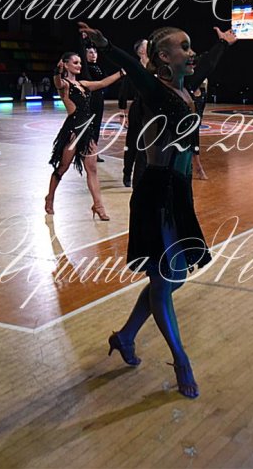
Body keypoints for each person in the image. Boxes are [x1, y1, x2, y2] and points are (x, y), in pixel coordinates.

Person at [79, 21, 217, 399]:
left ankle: (125, 336)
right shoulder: (155, 91)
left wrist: (224, 45)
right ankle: (181, 360)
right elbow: (134, 69)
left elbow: (205, 64)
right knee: (164, 281)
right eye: (184, 47)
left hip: (179, 192)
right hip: (157, 193)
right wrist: (107, 46)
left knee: (171, 279)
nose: (191, 53)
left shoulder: (183, 88)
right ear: (163, 57)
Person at [44, 52, 124, 220]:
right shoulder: (64, 85)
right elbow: (57, 82)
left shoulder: (83, 84)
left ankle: (98, 206)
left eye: (80, 62)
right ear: (66, 65)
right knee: (62, 167)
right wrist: (57, 72)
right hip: (73, 132)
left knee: (92, 169)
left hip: (87, 131)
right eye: (75, 62)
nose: (79, 65)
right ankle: (50, 197)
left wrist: (122, 72)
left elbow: (102, 83)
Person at [118, 39, 149, 187]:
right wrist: (122, 112)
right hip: (137, 108)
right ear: (141, 51)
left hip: (152, 109)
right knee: (132, 142)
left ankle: (143, 174)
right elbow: (124, 90)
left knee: (147, 143)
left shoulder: (156, 66)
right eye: (147, 45)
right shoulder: (134, 67)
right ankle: (127, 172)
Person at [79, 34, 112, 162]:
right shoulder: (84, 68)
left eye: (95, 52)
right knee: (89, 125)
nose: (93, 55)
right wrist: (83, 41)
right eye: (90, 53)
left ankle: (93, 151)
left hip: (98, 99)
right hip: (89, 99)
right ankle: (84, 150)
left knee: (97, 125)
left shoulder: (99, 67)